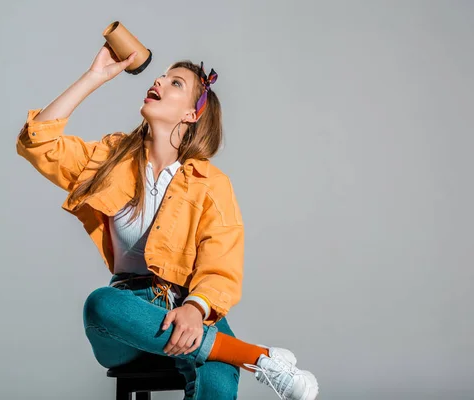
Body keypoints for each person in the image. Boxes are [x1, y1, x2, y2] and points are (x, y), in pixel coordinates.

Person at [16, 43, 319, 400]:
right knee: (99, 304)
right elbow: (37, 142)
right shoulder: (107, 159)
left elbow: (222, 262)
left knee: (219, 381)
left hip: (189, 309)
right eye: (162, 76)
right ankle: (260, 359)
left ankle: (226, 351)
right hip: (126, 315)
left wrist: (194, 307)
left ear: (192, 114)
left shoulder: (211, 185)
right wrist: (94, 77)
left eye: (175, 82)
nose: (159, 80)